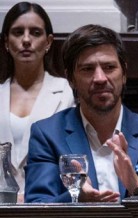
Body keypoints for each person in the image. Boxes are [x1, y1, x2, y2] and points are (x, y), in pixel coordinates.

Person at [24, 24, 138, 202]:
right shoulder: (47, 135)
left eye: (109, 67)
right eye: (87, 69)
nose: (100, 78)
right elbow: (37, 205)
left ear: (124, 74)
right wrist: (77, 198)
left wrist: (136, 187)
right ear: (71, 79)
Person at [0, 3, 72, 200]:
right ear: (6, 41)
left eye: (35, 32)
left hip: (49, 200)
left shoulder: (67, 92)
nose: (25, 40)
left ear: (48, 41)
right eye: (17, 32)